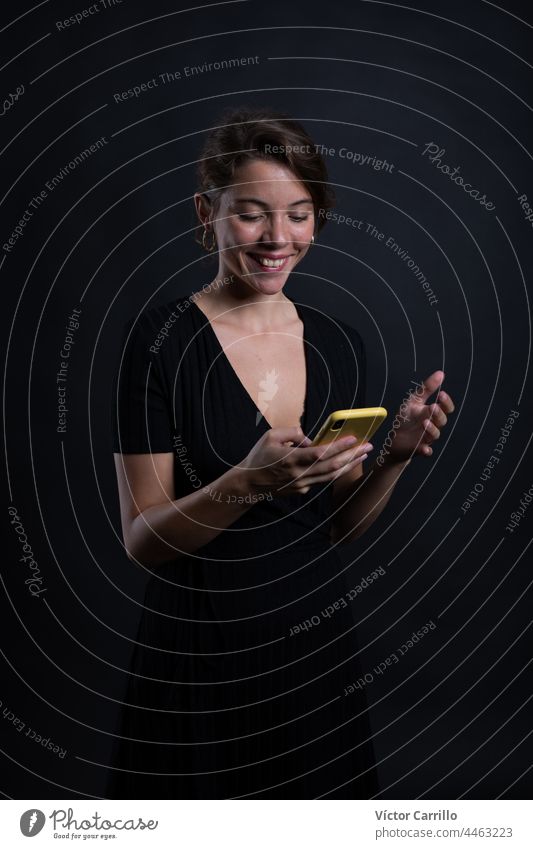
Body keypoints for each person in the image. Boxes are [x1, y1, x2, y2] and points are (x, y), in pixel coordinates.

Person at [105, 106, 455, 799]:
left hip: (316, 656)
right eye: (252, 214)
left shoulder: (338, 344)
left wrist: (391, 458)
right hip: (201, 658)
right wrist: (248, 482)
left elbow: (330, 527)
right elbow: (143, 538)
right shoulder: (161, 340)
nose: (277, 238)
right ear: (206, 211)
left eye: (298, 214)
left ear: (317, 220)